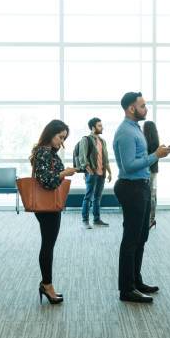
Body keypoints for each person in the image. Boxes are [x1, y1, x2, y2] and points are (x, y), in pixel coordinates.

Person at [113, 92, 170, 303]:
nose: (145, 109)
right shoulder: (126, 132)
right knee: (131, 240)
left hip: (141, 186)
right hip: (131, 188)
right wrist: (156, 155)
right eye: (142, 105)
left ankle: (135, 281)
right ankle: (126, 289)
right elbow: (129, 165)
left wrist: (155, 154)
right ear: (131, 108)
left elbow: (139, 159)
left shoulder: (135, 129)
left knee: (141, 238)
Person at [30, 120, 78, 305]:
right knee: (48, 246)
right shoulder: (44, 152)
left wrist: (65, 172)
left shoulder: (45, 152)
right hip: (47, 207)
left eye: (64, 138)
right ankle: (47, 285)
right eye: (60, 137)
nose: (61, 142)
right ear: (50, 134)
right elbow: (47, 181)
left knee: (48, 245)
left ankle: (47, 284)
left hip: (49, 206)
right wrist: (64, 173)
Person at [77, 117, 112, 229]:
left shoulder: (103, 141)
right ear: (93, 127)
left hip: (101, 174)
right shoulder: (86, 139)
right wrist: (89, 170)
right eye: (99, 125)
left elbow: (105, 159)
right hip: (92, 173)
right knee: (88, 197)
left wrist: (109, 172)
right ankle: (85, 221)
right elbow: (82, 157)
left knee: (97, 197)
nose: (102, 127)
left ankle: (97, 220)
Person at [143, 121, 159, 229]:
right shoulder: (156, 141)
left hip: (147, 171)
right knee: (152, 195)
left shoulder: (145, 142)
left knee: (149, 196)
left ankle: (150, 220)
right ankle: (152, 219)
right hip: (154, 170)